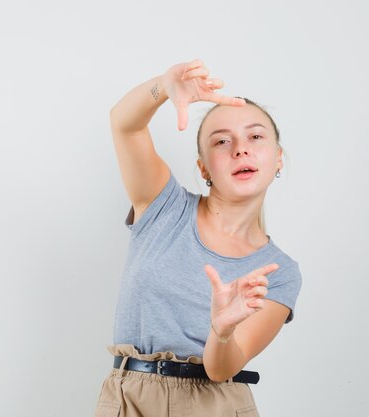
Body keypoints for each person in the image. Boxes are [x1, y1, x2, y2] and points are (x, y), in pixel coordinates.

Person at [93, 59, 302, 417]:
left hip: (216, 405)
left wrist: (222, 330)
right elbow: (124, 125)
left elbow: (222, 369)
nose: (241, 149)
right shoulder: (164, 207)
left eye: (255, 136)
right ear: (203, 167)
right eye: (222, 141)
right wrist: (162, 86)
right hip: (131, 400)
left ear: (278, 158)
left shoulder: (279, 272)